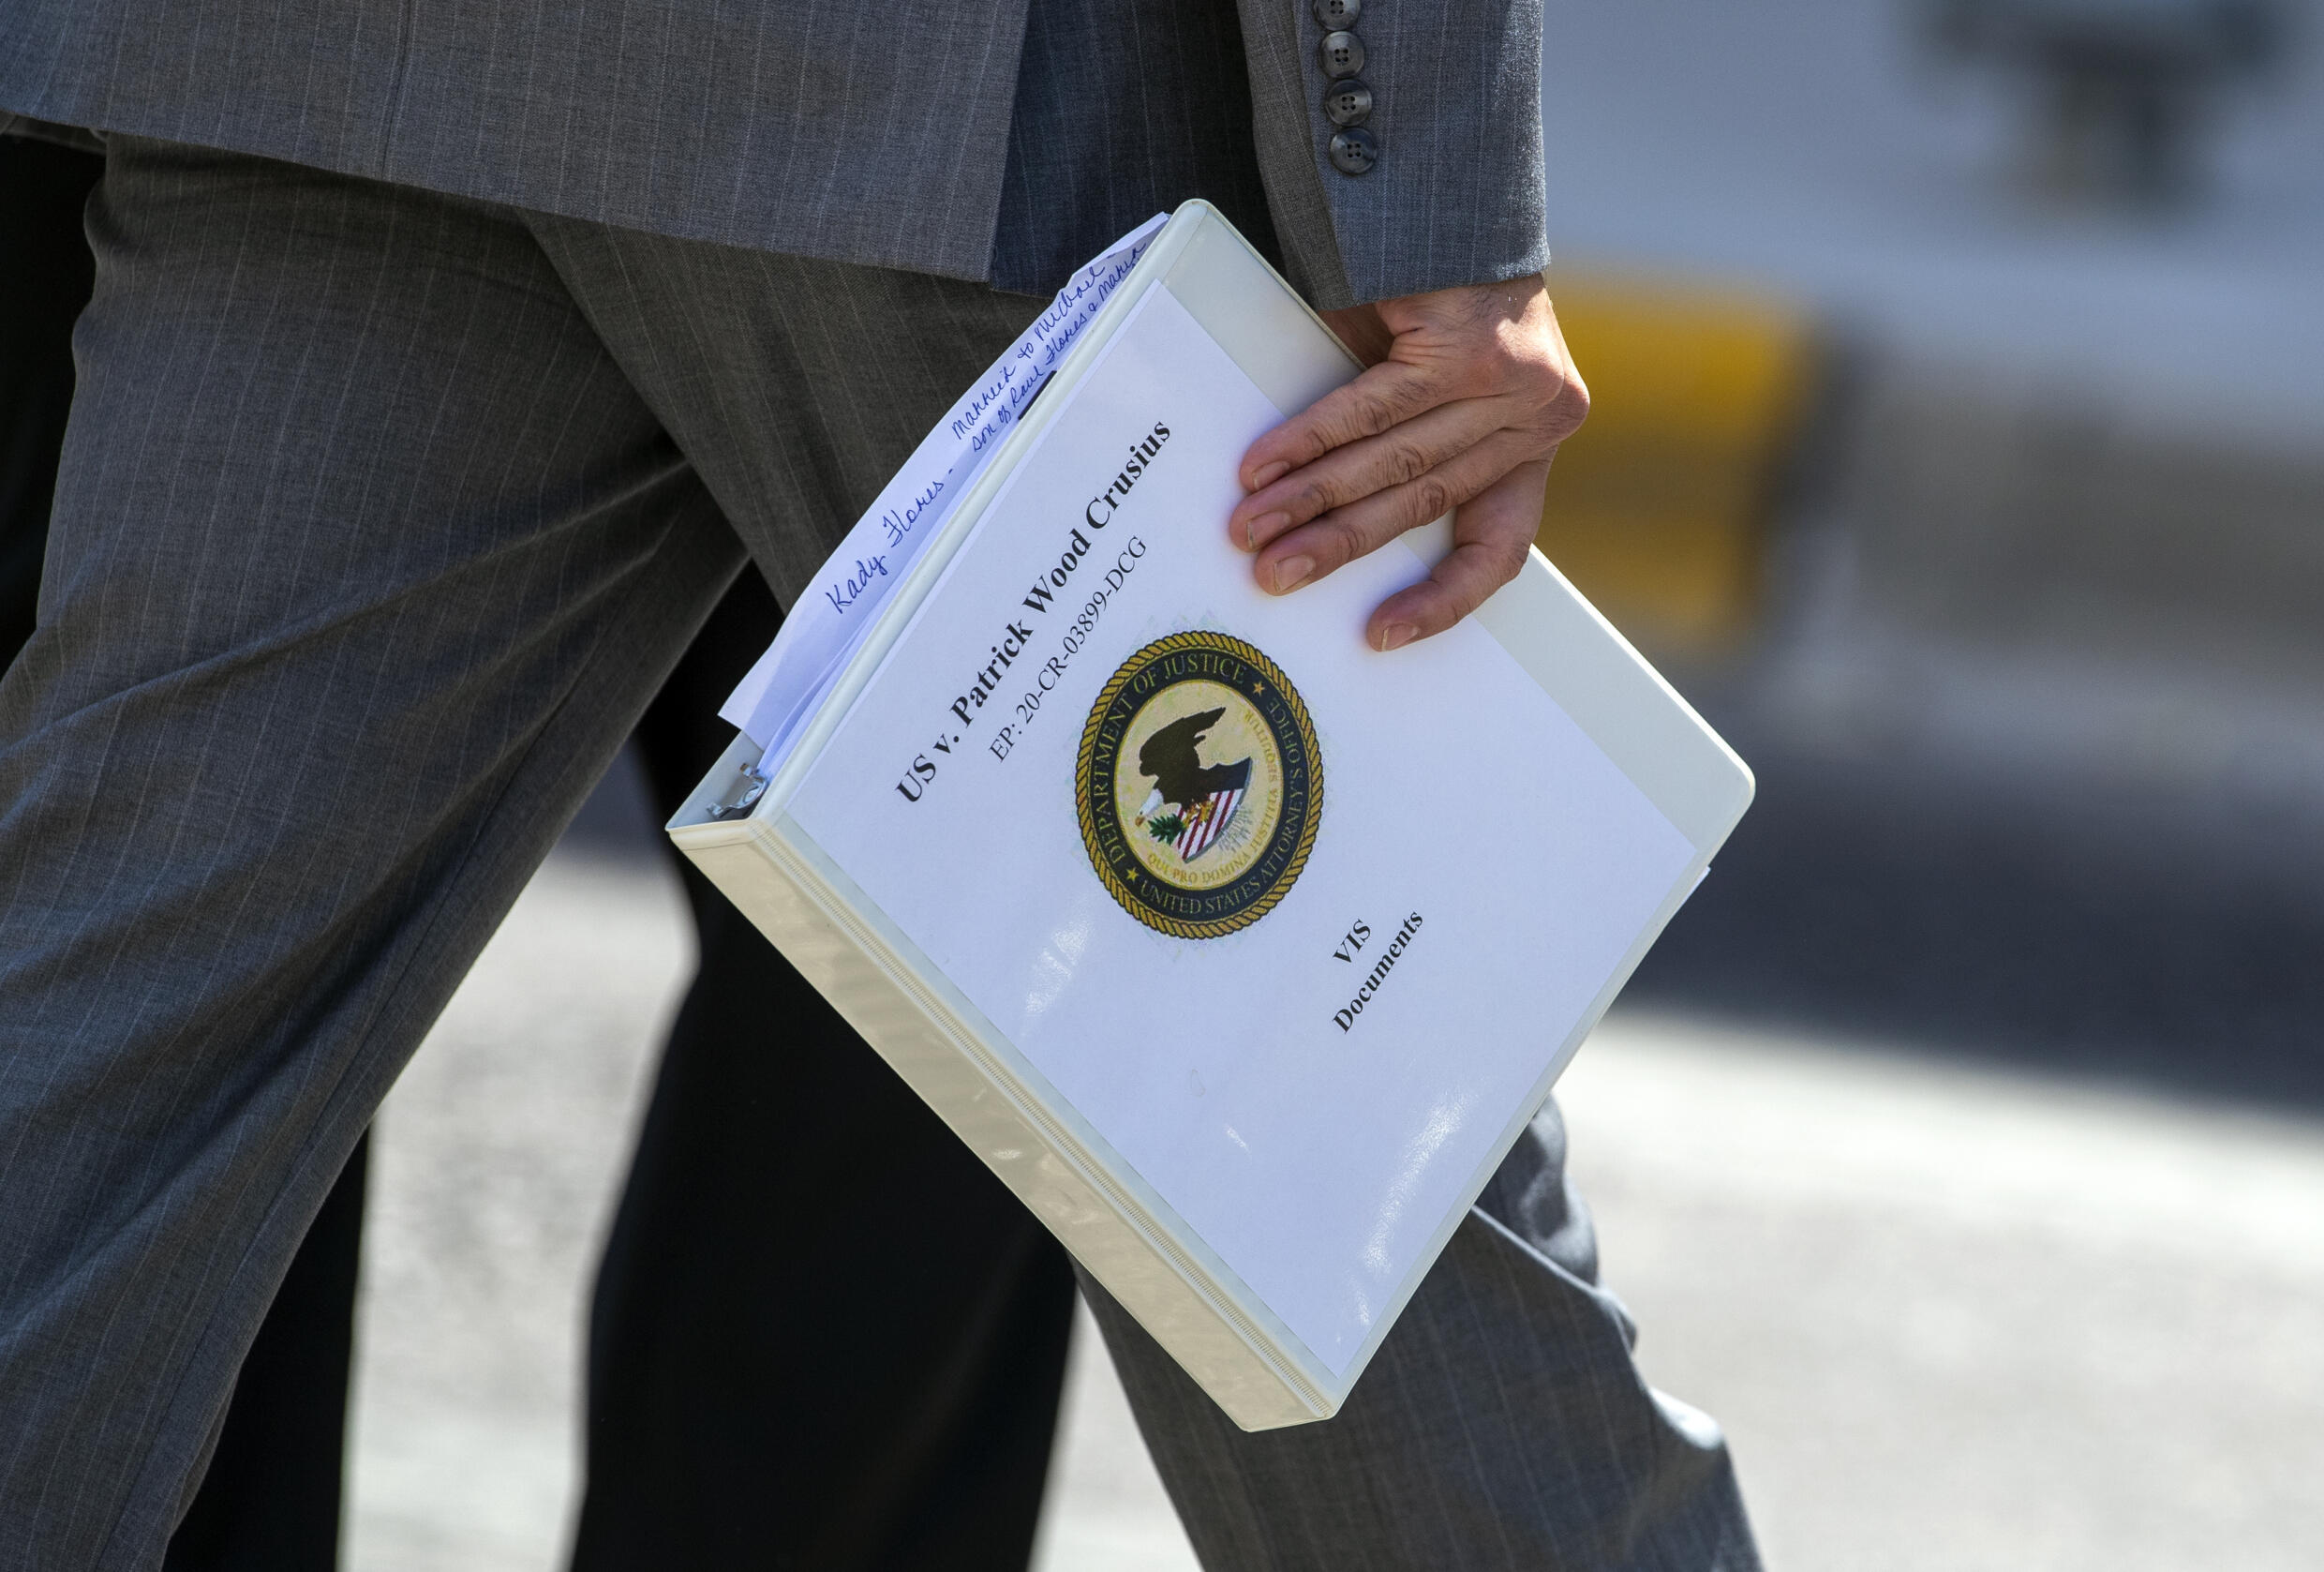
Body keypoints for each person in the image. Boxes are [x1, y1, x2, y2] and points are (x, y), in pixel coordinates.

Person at [0, 4, 1763, 1570]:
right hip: (923, 103)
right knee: (1328, 1122)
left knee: (96, 1076)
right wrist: (1434, 212)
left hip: (324, 63)